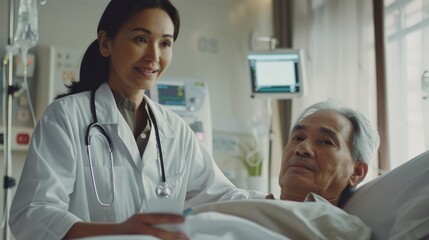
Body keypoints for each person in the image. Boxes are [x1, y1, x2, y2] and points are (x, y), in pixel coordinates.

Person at [9, 1, 265, 239]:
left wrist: (282, 204)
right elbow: (33, 214)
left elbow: (222, 196)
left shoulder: (175, 130)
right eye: (141, 39)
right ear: (105, 44)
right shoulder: (65, 117)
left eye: (165, 43)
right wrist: (117, 231)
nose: (154, 56)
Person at [274, 100, 380, 207]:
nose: (302, 148)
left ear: (356, 172)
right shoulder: (258, 201)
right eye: (298, 138)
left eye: (325, 142)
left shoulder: (332, 223)